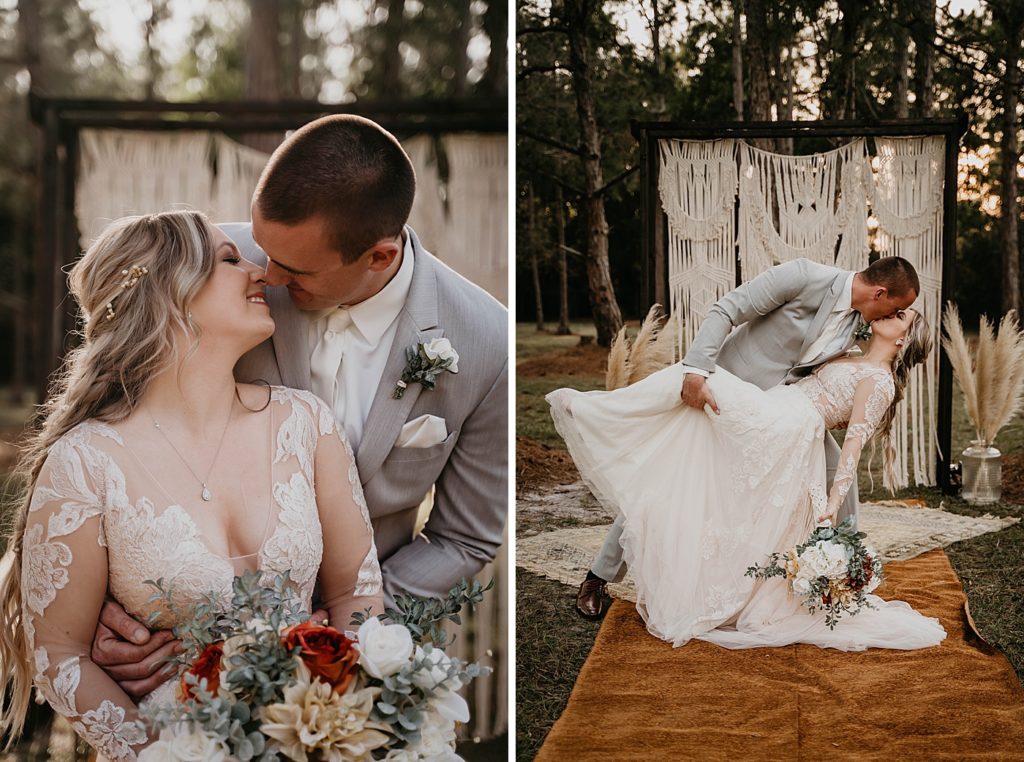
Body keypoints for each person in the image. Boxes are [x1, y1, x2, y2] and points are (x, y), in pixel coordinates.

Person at [90, 115, 509, 701]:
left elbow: (463, 539)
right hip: (178, 655)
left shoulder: (487, 341)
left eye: (296, 269)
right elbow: (112, 431)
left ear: (380, 257)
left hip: (356, 661)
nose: (267, 273)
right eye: (260, 246)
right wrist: (108, 605)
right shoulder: (215, 272)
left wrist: (339, 637)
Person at [0, 211, 385, 758]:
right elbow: (58, 653)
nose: (261, 273)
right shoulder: (85, 462)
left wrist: (339, 714)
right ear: (165, 293)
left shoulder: (307, 424)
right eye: (230, 259)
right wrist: (163, 752)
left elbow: (356, 590)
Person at [549, 300, 947, 650]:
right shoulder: (852, 354)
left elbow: (853, 450)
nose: (891, 315)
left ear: (902, 341)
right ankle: (607, 418)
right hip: (778, 410)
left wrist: (832, 505)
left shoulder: (879, 381)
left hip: (788, 427)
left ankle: (594, 411)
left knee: (704, 379)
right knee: (693, 432)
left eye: (901, 318)